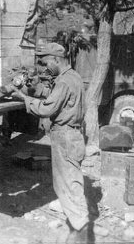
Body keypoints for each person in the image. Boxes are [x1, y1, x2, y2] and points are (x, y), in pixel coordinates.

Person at [10, 42, 93, 244]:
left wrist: (23, 98)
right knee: (67, 183)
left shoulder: (64, 82)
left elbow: (47, 109)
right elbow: (55, 96)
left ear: (57, 59)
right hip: (70, 137)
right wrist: (34, 90)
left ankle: (81, 234)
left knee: (68, 185)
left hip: (65, 137)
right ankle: (80, 228)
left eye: (47, 62)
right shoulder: (72, 77)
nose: (45, 67)